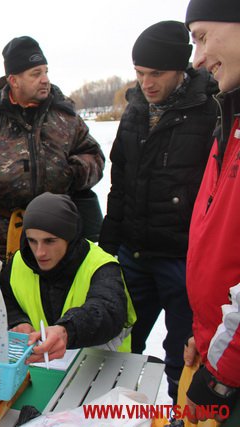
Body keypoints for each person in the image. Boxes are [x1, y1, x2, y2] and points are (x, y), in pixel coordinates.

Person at [98, 20, 218, 403]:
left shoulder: (210, 108)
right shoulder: (135, 110)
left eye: (156, 73)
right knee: (116, 346)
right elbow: (120, 187)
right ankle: (111, 410)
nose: (146, 82)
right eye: (139, 73)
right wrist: (107, 251)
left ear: (180, 69)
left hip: (183, 261)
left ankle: (180, 413)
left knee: (182, 356)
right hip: (133, 254)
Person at [0, 35, 105, 263]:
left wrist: (72, 171)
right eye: (36, 73)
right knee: (8, 297)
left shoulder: (65, 116)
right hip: (4, 238)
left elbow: (95, 157)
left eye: (46, 71)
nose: (45, 79)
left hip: (60, 233)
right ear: (14, 80)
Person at [183, 0, 240, 422]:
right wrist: (205, 338)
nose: (198, 59)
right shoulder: (230, 120)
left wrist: (222, 373)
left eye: (202, 36)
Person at [0, 192, 135, 363]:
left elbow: (107, 310)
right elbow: (4, 299)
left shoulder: (101, 266)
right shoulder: (19, 261)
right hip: (41, 368)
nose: (39, 252)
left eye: (50, 241)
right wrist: (18, 322)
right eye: (32, 241)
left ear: (70, 238)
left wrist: (66, 331)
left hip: (101, 371)